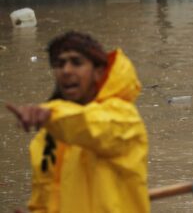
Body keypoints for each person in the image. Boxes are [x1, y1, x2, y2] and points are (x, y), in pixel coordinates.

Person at [6, 31, 149, 213]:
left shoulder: (124, 118)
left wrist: (51, 115)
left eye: (76, 62)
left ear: (98, 72)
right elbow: (45, 200)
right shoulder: (47, 137)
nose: (66, 70)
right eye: (60, 64)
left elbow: (89, 127)